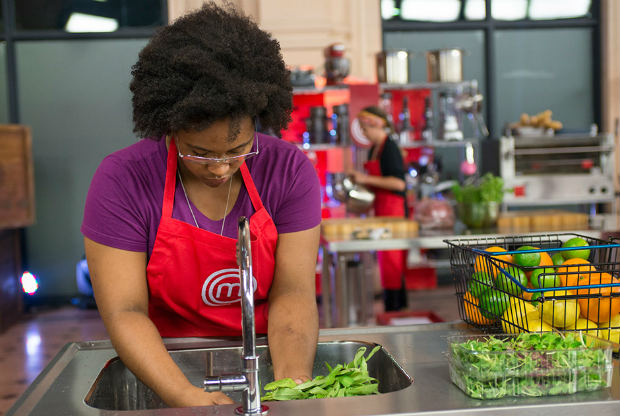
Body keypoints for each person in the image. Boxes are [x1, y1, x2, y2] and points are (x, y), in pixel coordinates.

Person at [81, 3, 321, 408]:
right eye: (200, 153)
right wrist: (184, 396)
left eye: (238, 149)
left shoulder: (289, 170)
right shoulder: (123, 179)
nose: (221, 169)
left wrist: (291, 388)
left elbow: (293, 293)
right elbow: (126, 310)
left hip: (270, 350)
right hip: (162, 362)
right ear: (168, 125)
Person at [348, 106, 408, 311]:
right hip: (383, 210)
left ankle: (397, 310)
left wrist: (365, 178)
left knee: (393, 263)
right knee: (387, 263)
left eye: (365, 129)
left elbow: (399, 184)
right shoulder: (375, 148)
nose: (364, 134)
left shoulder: (389, 147)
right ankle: (392, 309)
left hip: (395, 212)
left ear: (376, 125)